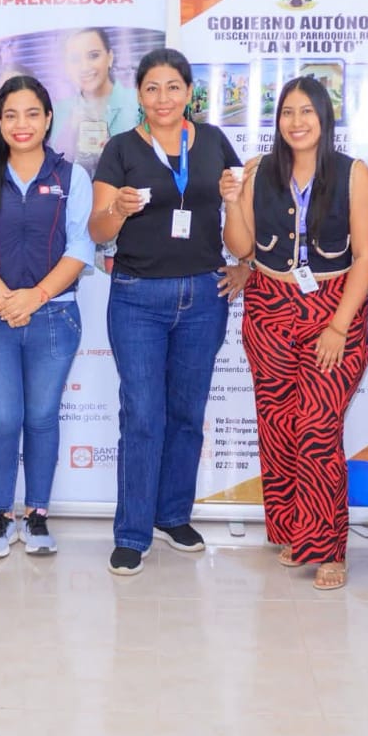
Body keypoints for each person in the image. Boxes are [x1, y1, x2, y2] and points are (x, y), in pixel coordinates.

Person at [91, 48, 246, 576]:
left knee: (187, 414)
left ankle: (173, 515)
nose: (163, 98)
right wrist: (117, 210)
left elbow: (240, 229)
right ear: (139, 93)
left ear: (189, 93)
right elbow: (97, 230)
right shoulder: (120, 149)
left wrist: (244, 260)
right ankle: (132, 533)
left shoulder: (215, 143)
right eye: (152, 88)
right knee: (142, 415)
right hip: (137, 297)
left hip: (204, 296)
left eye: (173, 87)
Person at [222, 77, 368, 590]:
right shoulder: (259, 171)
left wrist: (338, 326)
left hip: (334, 307)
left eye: (307, 111)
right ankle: (296, 533)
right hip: (269, 306)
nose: (296, 121)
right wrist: (232, 201)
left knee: (316, 427)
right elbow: (242, 248)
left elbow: (366, 256)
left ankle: (329, 549)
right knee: (280, 426)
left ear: (325, 117)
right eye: (288, 112)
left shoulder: (354, 174)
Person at [0, 76, 93, 558]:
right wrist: (6, 299)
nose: (22, 124)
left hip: (54, 315)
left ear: (48, 118)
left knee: (41, 417)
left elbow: (80, 248)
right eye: (10, 115)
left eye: (32, 113)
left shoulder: (72, 178)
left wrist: (35, 297)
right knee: (2, 417)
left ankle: (37, 515)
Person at [62, 27, 139, 174]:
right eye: (75, 59)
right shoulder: (57, 111)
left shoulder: (138, 101)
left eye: (93, 56)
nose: (85, 67)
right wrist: (69, 132)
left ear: (110, 57)